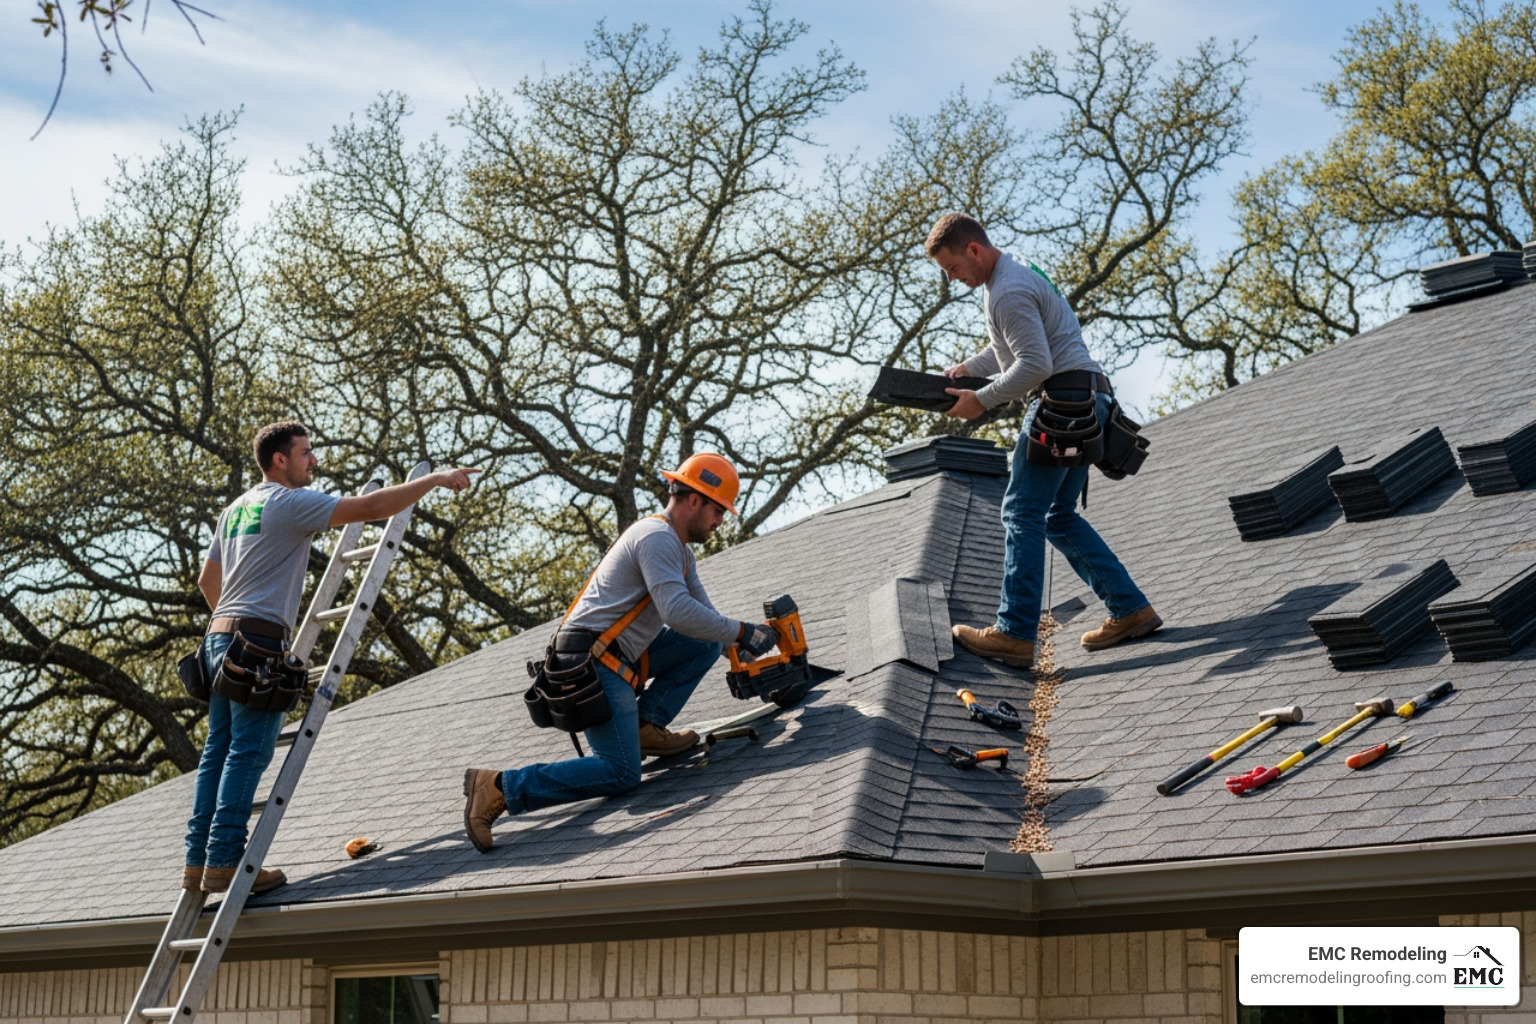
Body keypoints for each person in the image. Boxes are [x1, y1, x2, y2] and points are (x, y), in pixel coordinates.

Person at [185, 421, 478, 894]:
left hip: (218, 638)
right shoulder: (287, 502)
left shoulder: (235, 509)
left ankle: (198, 862)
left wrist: (234, 619)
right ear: (280, 460)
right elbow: (371, 507)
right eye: (305, 453)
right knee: (249, 751)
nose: (313, 461)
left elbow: (207, 582)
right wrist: (433, 480)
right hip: (257, 641)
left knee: (216, 754)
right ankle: (224, 861)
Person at [462, 453, 779, 852]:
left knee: (710, 639)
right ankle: (499, 787)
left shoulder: (680, 551)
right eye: (719, 510)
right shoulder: (657, 537)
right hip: (590, 666)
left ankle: (645, 727)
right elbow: (676, 612)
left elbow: (704, 619)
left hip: (619, 657)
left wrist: (745, 647)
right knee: (622, 772)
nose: (720, 521)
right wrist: (743, 631)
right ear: (694, 500)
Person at [925, 212, 1161, 669]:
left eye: (952, 268)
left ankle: (1014, 633)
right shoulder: (1015, 273)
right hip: (1090, 400)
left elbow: (1034, 364)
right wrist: (968, 371)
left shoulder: (1007, 291)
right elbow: (1010, 349)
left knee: (1020, 511)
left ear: (973, 249)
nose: (953, 279)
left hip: (1062, 404)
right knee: (1055, 514)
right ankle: (1130, 609)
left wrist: (981, 400)